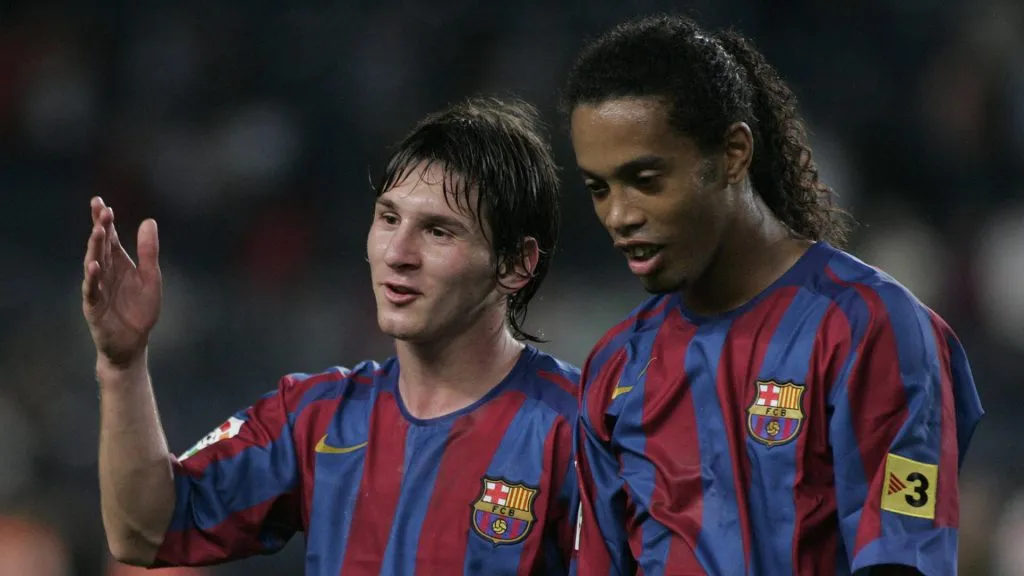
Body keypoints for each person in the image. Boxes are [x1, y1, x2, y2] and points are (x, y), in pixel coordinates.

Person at [82, 96, 580, 575]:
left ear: (516, 264)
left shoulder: (580, 430)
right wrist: (123, 363)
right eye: (388, 219)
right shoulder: (315, 419)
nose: (397, 253)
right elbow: (145, 532)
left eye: (438, 231)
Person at [562, 14, 984, 576]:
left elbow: (904, 554)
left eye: (646, 179)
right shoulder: (615, 367)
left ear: (734, 153)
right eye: (599, 188)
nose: (618, 215)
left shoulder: (870, 327)